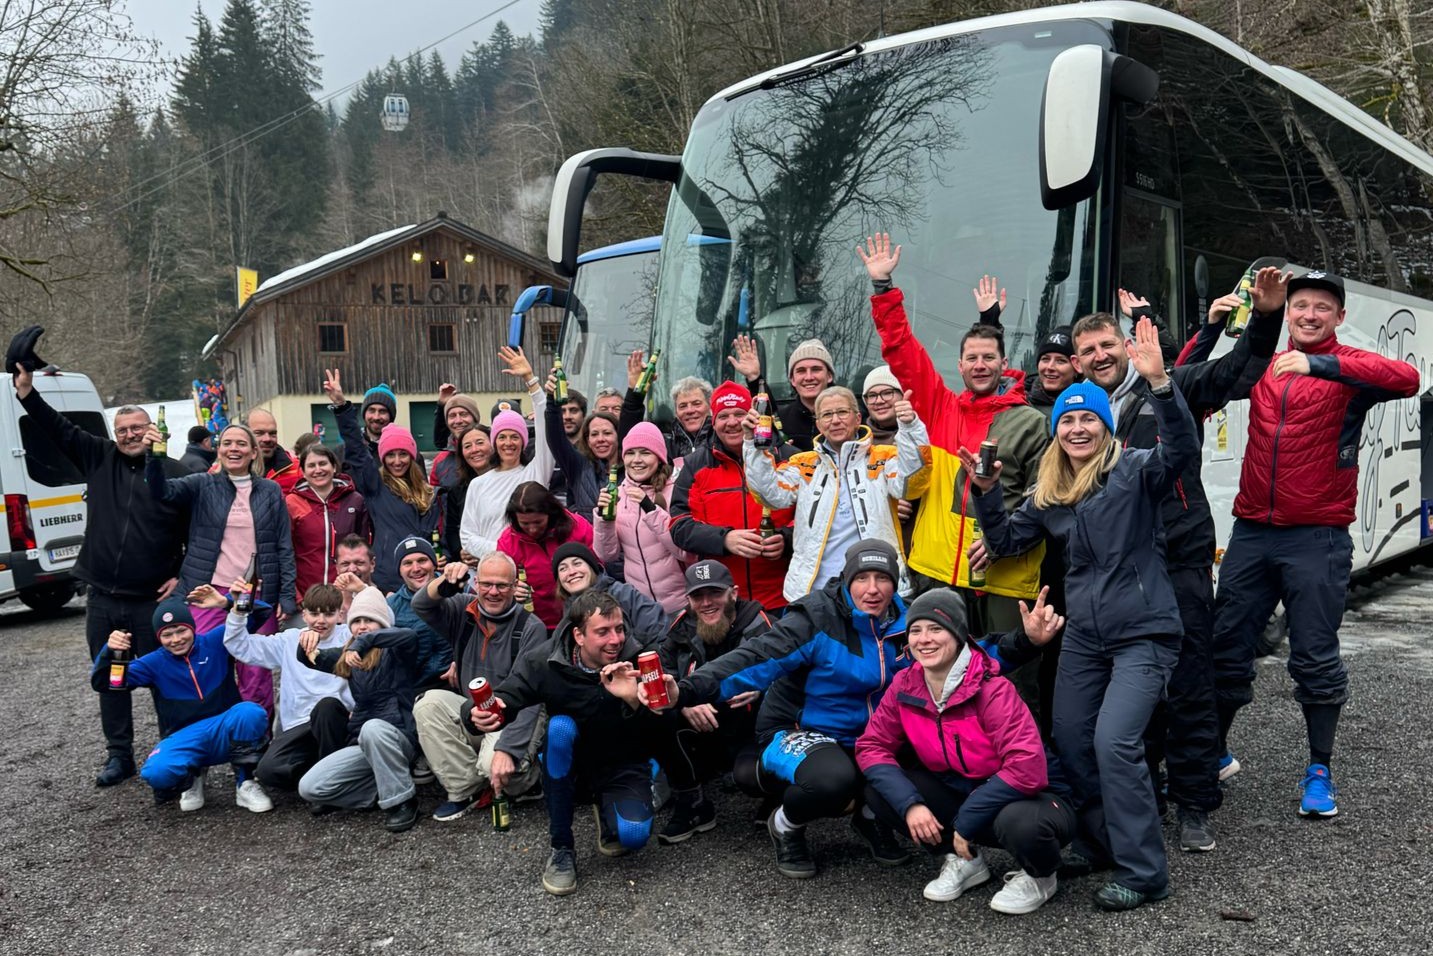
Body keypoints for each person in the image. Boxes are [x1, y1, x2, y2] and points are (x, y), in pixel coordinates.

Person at [966, 316, 1198, 911]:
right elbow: (1006, 541)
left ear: (1106, 426)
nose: (1076, 428)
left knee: (1114, 742)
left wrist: (1162, 385)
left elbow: (1182, 450)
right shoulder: (1051, 494)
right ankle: (1098, 840)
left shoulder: (1136, 470)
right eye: (1067, 420)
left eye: (1088, 419)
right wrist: (986, 494)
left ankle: (1144, 871)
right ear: (1057, 431)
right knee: (1069, 740)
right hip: (1085, 638)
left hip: (1143, 634)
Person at [1071, 273, 1283, 852]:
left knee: (1189, 682)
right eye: (1087, 350)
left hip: (1178, 558)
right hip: (1119, 570)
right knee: (1129, 687)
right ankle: (1142, 790)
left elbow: (1239, 371)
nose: (1099, 356)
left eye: (1107, 344)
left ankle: (1194, 802)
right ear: (1077, 362)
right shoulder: (1077, 415)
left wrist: (1265, 318)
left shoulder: (1171, 385)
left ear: (1126, 346)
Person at [1211, 270, 1420, 818]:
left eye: (1321, 307)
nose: (1309, 314)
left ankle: (1319, 771)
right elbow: (1194, 381)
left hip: (1318, 536)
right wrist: (1209, 328)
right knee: (1226, 649)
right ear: (1288, 311)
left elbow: (1407, 377)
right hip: (1252, 532)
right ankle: (1211, 754)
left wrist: (1320, 365)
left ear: (1339, 317)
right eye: (1300, 305)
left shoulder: (1347, 369)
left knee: (1314, 659)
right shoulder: (1266, 364)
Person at [859, 234, 1050, 710]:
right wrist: (883, 288)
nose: (980, 365)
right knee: (939, 683)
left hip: (1004, 581)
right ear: (959, 365)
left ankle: (1021, 754)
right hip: (938, 575)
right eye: (972, 359)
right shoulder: (940, 408)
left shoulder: (1031, 422)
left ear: (1004, 365)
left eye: (989, 358)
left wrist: (1007, 539)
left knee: (1010, 686)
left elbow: (1045, 497)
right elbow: (902, 351)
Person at [660, 540, 912, 880]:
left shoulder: (909, 622)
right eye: (861, 578)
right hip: (800, 728)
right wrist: (687, 690)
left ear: (895, 583)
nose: (872, 589)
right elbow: (755, 658)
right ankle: (785, 825)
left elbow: (960, 655)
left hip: (869, 735)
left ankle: (870, 818)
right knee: (834, 780)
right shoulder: (816, 618)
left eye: (882, 578)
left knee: (925, 747)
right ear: (846, 579)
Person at [10, 361, 188, 787]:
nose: (130, 435)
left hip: (151, 601)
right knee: (113, 675)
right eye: (122, 429)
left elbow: (199, 532)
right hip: (104, 598)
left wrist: (183, 575)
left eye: (137, 427)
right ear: (114, 434)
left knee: (163, 677)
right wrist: (27, 393)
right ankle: (119, 755)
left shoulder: (177, 472)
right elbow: (57, 428)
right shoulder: (99, 457)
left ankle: (174, 750)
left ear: (153, 430)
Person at [856, 590, 1076, 913]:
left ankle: (1040, 875)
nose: (924, 639)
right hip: (964, 791)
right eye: (915, 630)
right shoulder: (905, 684)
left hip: (1033, 799)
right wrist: (910, 804)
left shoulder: (992, 688)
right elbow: (872, 746)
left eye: (936, 629)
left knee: (1019, 823)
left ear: (958, 635)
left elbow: (1027, 769)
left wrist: (966, 820)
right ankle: (964, 860)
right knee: (882, 792)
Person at [470, 590, 666, 896]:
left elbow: (662, 726)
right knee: (559, 728)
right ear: (579, 635)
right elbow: (508, 696)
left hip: (622, 764)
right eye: (603, 632)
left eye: (619, 629)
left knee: (634, 835)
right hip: (570, 767)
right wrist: (477, 714)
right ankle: (561, 848)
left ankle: (607, 810)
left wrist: (633, 700)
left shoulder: (638, 657)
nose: (615, 640)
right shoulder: (545, 661)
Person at [145, 421, 299, 719]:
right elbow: (161, 492)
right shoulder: (202, 484)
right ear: (218, 450)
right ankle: (211, 734)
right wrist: (153, 456)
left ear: (253, 452)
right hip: (208, 592)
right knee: (205, 665)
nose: (233, 449)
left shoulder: (270, 491)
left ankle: (255, 737)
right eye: (227, 443)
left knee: (255, 673)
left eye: (241, 443)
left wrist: (286, 595)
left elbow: (284, 545)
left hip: (254, 595)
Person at [743, 384, 926, 603]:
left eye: (842, 412)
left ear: (857, 418)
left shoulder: (884, 457)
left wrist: (910, 427)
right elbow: (769, 495)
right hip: (814, 591)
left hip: (876, 588)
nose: (835, 420)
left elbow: (910, 484)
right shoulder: (804, 464)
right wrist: (752, 443)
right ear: (818, 424)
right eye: (827, 415)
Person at [91, 597, 273, 813]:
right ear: (158, 637)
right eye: (167, 635)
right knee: (156, 773)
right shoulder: (152, 663)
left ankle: (245, 782)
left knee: (250, 712)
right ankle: (193, 776)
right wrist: (109, 652)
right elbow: (106, 684)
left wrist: (226, 602)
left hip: (224, 729)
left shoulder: (216, 640)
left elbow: (262, 612)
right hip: (186, 737)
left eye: (181, 631)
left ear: (192, 628)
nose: (176, 640)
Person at [412, 554, 548, 820]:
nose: (493, 592)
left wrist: (507, 751)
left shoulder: (531, 628)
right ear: (476, 583)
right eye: (486, 584)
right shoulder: (463, 610)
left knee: (494, 766)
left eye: (502, 585)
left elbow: (531, 700)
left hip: (515, 713)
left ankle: (528, 781)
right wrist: (445, 582)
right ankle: (466, 789)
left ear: (514, 587)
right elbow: (421, 605)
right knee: (428, 704)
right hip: (475, 711)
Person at [653, 560, 773, 843]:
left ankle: (775, 796)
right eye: (698, 596)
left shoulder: (761, 624)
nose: (706, 603)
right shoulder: (680, 627)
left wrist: (763, 689)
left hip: (751, 726)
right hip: (705, 724)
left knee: (750, 777)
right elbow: (662, 673)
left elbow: (793, 676)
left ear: (734, 593)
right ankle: (693, 803)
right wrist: (684, 702)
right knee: (659, 712)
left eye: (714, 593)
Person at [207, 582, 354, 793]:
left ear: (340, 614)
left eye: (329, 614)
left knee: (326, 706)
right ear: (304, 614)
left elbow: (381, 630)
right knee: (267, 771)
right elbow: (241, 646)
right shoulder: (289, 640)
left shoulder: (349, 637)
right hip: (299, 726)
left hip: (336, 724)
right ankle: (315, 776)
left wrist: (361, 589)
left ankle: (332, 785)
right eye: (314, 613)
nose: (321, 620)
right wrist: (238, 609)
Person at [297, 586, 423, 831]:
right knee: (310, 788)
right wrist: (306, 642)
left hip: (399, 739)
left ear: (383, 623)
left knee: (373, 728)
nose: (362, 627)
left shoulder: (397, 649)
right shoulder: (347, 656)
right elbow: (310, 659)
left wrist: (363, 642)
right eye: (356, 621)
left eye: (369, 621)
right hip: (362, 742)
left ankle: (403, 802)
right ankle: (381, 790)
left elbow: (409, 636)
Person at [669, 381, 794, 611]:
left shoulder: (789, 458)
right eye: (723, 416)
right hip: (723, 602)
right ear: (713, 422)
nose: (732, 422)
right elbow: (679, 526)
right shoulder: (695, 465)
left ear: (753, 416)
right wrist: (724, 540)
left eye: (739, 414)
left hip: (784, 597)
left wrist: (786, 540)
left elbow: (816, 519)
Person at [323, 368, 438, 594]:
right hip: (389, 577)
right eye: (390, 455)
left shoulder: (427, 493)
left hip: (422, 576)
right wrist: (341, 405)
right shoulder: (376, 486)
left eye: (403, 454)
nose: (397, 461)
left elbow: (433, 536)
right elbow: (356, 448)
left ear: (412, 457)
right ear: (382, 459)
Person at [459, 347, 556, 556]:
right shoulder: (478, 485)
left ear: (523, 442)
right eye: (502, 437)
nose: (508, 443)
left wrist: (531, 380)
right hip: (488, 568)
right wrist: (501, 553)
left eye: (515, 437)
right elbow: (467, 536)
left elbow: (546, 424)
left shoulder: (535, 473)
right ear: (494, 442)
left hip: (528, 567)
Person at [593, 422, 693, 614]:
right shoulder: (618, 494)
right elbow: (607, 555)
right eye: (630, 453)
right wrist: (604, 519)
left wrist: (650, 509)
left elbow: (685, 553)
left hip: (683, 605)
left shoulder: (677, 490)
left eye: (645, 453)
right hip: (641, 608)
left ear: (659, 457)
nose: (636, 460)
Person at [497, 482, 595, 630]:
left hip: (583, 618)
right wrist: (512, 590)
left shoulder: (577, 526)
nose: (532, 529)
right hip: (536, 625)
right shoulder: (507, 542)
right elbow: (500, 583)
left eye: (538, 522)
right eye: (525, 523)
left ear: (550, 513)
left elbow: (598, 567)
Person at [286, 443, 370, 594]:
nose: (318, 470)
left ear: (334, 467)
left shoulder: (354, 500)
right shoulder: (292, 503)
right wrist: (295, 596)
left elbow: (363, 548)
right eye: (311, 465)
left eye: (323, 463)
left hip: (346, 591)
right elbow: (285, 552)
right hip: (306, 593)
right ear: (303, 472)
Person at [729, 335, 834, 452]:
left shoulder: (847, 418)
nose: (809, 377)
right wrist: (754, 378)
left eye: (816, 369)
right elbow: (767, 410)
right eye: (801, 371)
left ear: (830, 376)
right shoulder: (781, 420)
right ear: (792, 379)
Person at [551, 542, 668, 643]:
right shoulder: (568, 612)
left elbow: (658, 632)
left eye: (577, 564)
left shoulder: (623, 594)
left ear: (592, 568)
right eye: (563, 568)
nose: (571, 572)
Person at [386, 536, 454, 695]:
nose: (416, 568)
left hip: (457, 681)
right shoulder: (391, 607)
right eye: (407, 563)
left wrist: (462, 662)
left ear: (434, 563)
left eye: (422, 560)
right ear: (399, 571)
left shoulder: (457, 591)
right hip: (415, 689)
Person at [620, 374, 712, 462]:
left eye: (696, 404)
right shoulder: (664, 443)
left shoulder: (719, 439)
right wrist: (634, 397)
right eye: (683, 406)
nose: (690, 410)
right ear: (676, 412)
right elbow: (629, 441)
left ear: (710, 406)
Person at [444, 425, 492, 561]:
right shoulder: (457, 489)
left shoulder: (509, 481)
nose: (474, 450)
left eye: (480, 443)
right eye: (467, 446)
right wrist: (460, 551)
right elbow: (452, 529)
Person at [428, 387, 483, 491]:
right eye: (452, 416)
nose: (458, 421)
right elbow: (435, 497)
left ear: (475, 418)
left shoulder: (491, 451)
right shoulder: (440, 461)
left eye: (463, 414)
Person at [246, 408, 302, 493]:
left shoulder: (297, 470)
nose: (267, 439)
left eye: (272, 433)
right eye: (259, 433)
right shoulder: (232, 471)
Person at [1028, 327, 1079, 412]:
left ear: (1077, 367)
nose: (1050, 367)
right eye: (1045, 359)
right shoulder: (1018, 401)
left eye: (1061, 361)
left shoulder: (1093, 404)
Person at [860, 366, 904, 444]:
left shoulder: (922, 433)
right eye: (872, 395)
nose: (879, 401)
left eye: (887, 393)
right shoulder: (857, 438)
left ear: (903, 395)